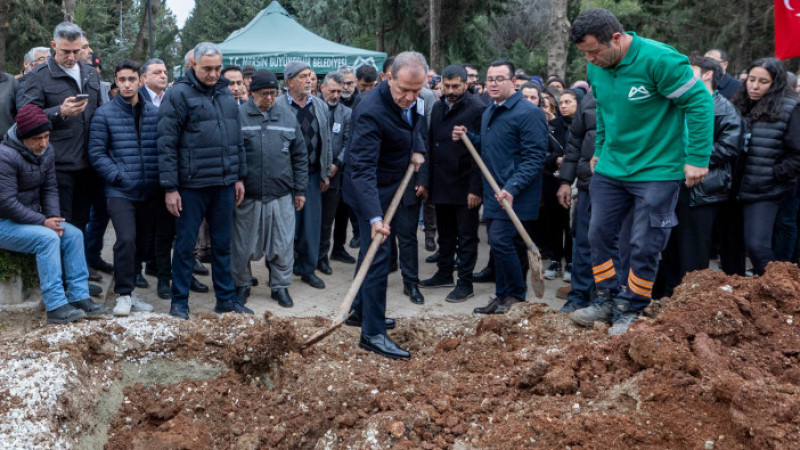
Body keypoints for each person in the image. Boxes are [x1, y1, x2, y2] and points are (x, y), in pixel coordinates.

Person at [566, 8, 714, 335]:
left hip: (658, 168)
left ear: (616, 38)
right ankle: (606, 298)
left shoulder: (660, 60)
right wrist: (601, 150)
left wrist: (698, 156)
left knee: (644, 242)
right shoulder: (597, 68)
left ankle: (631, 306)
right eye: (584, 53)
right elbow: (603, 108)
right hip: (613, 166)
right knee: (596, 234)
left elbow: (700, 102)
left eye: (595, 51)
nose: (590, 59)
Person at [342, 51, 429, 360]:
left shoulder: (416, 98)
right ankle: (372, 333)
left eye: (416, 90)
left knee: (371, 253)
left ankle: (359, 312)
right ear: (388, 77)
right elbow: (361, 170)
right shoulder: (369, 111)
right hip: (369, 190)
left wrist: (417, 147)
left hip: (394, 183)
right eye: (403, 89)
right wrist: (374, 217)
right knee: (378, 256)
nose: (409, 96)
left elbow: (416, 123)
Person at [158, 42, 251, 319]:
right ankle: (179, 303)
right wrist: (170, 188)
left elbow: (237, 140)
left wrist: (238, 177)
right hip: (190, 186)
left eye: (217, 68)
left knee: (223, 244)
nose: (213, 74)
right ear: (193, 67)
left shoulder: (225, 94)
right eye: (207, 68)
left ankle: (225, 299)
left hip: (223, 183)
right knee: (186, 246)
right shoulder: (177, 95)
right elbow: (165, 144)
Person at [452, 59, 548, 315]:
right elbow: (489, 144)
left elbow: (535, 157)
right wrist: (468, 138)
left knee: (500, 240)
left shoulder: (529, 114)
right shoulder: (490, 111)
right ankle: (504, 296)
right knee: (506, 245)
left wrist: (513, 187)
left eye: (499, 79)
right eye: (489, 79)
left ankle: (515, 295)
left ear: (513, 82)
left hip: (516, 194)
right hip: (495, 191)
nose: (493, 84)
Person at [22, 22, 106, 297]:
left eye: (77, 50)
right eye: (66, 51)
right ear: (54, 46)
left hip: (90, 163)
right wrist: (59, 112)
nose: (72, 57)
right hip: (59, 165)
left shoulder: (90, 73)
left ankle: (77, 281)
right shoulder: (39, 76)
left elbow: (101, 114)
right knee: (63, 226)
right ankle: (65, 285)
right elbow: (26, 116)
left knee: (82, 224)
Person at [0, 105, 106, 323]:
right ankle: (56, 306)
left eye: (47, 136)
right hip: (4, 222)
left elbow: (50, 188)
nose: (43, 143)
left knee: (73, 234)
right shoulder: (5, 156)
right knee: (47, 239)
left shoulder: (47, 151)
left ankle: (79, 296)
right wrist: (42, 221)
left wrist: (54, 220)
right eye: (37, 138)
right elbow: (6, 202)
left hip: (27, 220)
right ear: (22, 137)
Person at [653, 55, 742, 298]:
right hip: (671, 185)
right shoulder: (676, 104)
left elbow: (730, 146)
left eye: (689, 70)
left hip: (703, 189)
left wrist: (694, 158)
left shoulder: (724, 108)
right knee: (669, 248)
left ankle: (692, 302)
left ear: (707, 74)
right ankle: (668, 300)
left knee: (693, 252)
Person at [88, 59, 159, 316]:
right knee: (126, 240)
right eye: (122, 80)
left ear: (140, 80)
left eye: (131, 79)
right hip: (119, 191)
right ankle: (124, 294)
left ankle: (132, 290)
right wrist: (117, 175)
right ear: (115, 82)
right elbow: (96, 153)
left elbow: (162, 148)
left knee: (142, 244)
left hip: (149, 189)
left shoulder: (154, 113)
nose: (127, 84)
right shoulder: (104, 114)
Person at [232, 69, 307, 308]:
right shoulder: (238, 117)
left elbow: (300, 156)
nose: (270, 98)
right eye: (264, 93)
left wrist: (300, 190)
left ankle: (280, 286)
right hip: (248, 196)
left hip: (281, 194)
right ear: (251, 92)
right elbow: (232, 154)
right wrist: (236, 180)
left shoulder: (288, 116)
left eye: (274, 93)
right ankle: (242, 284)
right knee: (242, 245)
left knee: (283, 245)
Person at [419, 65, 484, 302]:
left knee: (466, 236)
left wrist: (476, 188)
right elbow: (429, 145)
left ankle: (464, 283)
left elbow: (481, 152)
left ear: (466, 84)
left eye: (455, 86)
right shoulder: (437, 107)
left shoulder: (477, 108)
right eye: (446, 86)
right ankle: (444, 272)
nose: (450, 90)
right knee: (445, 233)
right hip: (441, 182)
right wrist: (425, 180)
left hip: (465, 183)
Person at [731, 57, 800, 276]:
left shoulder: (790, 107)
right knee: (731, 245)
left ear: (775, 83)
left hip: (765, 189)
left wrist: (774, 174)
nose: (755, 86)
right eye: (751, 79)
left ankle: (776, 291)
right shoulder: (739, 103)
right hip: (733, 186)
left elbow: (797, 154)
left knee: (757, 245)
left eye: (763, 81)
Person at [280, 60, 333, 290]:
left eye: (310, 76)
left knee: (311, 226)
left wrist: (325, 173)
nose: (309, 81)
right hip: (284, 176)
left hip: (312, 176)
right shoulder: (279, 106)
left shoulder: (320, 106)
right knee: (285, 226)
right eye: (303, 77)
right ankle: (281, 271)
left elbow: (327, 142)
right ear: (289, 81)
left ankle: (308, 269)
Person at [557, 92, 598, 312]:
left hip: (620, 184)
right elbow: (574, 144)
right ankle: (579, 296)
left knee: (613, 244)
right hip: (586, 184)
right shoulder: (588, 102)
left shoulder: (632, 94)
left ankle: (605, 297)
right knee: (582, 242)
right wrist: (565, 181)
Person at [318, 72, 354, 273]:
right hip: (314, 173)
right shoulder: (314, 108)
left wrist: (336, 165)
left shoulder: (346, 113)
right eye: (332, 90)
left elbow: (349, 142)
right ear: (322, 88)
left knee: (327, 220)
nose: (336, 95)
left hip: (335, 174)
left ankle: (322, 257)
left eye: (339, 91)